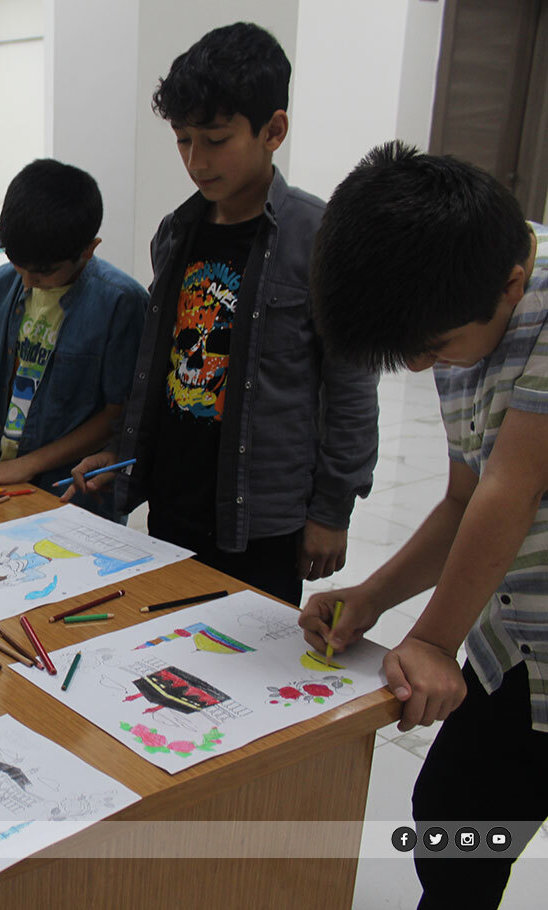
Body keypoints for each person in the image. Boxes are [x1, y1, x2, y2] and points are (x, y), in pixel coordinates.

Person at [300, 142, 548, 910]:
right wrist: (372, 596)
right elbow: (465, 500)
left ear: (511, 286)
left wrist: (434, 641)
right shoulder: (457, 302)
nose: (420, 368)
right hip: (518, 641)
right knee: (452, 820)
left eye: (433, 349)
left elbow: (512, 487)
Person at [66, 22, 378, 605]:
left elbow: (351, 391)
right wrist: (127, 456)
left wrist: (332, 511)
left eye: (215, 139)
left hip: (260, 519)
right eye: (183, 140)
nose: (196, 160)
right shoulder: (176, 232)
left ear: (273, 130)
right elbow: (159, 373)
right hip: (174, 502)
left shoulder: (320, 238)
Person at [0, 160, 147, 514]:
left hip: (66, 494)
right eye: (16, 263)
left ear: (88, 249)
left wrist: (28, 464)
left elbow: (116, 415)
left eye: (43, 272)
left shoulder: (120, 303)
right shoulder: (1, 284)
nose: (26, 281)